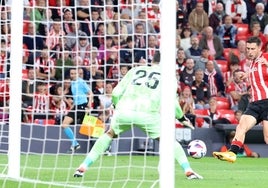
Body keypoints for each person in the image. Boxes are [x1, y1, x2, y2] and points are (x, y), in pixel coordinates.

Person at [73, 51, 203, 179]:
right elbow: (173, 103)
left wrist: (116, 105)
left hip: (125, 110)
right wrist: (181, 118)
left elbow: (116, 93)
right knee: (168, 141)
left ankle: (83, 166)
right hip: (147, 113)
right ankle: (188, 170)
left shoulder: (135, 70)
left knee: (109, 134)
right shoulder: (168, 77)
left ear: (152, 61)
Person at [213, 36, 268, 162]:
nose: (249, 51)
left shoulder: (266, 57)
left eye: (252, 49)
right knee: (241, 126)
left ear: (259, 48)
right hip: (254, 103)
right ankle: (232, 153)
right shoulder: (253, 62)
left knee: (267, 138)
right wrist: (246, 75)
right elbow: (259, 73)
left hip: (266, 101)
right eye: (247, 48)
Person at [61, 67, 93, 153]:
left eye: (75, 73)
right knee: (64, 124)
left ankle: (106, 143)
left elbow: (90, 93)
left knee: (90, 128)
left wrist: (89, 104)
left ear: (78, 74)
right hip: (76, 106)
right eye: (72, 74)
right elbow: (75, 97)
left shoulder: (81, 82)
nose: (73, 75)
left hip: (83, 106)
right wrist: (71, 106)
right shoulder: (72, 83)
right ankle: (75, 144)